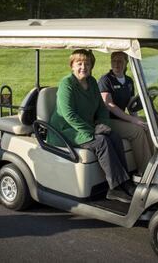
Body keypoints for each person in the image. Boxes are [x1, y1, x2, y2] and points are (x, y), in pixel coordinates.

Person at [47, 49, 135, 203]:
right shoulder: (67, 84)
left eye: (87, 64)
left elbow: (102, 108)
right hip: (63, 131)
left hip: (84, 127)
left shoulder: (92, 82)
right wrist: (93, 130)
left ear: (91, 66)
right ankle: (115, 189)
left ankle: (125, 182)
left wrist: (103, 125)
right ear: (72, 66)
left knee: (113, 135)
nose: (83, 67)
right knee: (102, 141)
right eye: (79, 63)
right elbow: (69, 115)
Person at [98, 52, 152, 176]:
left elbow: (131, 105)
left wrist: (137, 118)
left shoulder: (128, 81)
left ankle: (155, 162)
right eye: (114, 61)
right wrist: (133, 121)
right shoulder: (105, 80)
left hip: (121, 118)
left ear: (126, 63)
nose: (117, 64)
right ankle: (144, 172)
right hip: (107, 120)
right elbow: (109, 105)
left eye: (120, 61)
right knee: (136, 131)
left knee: (148, 125)